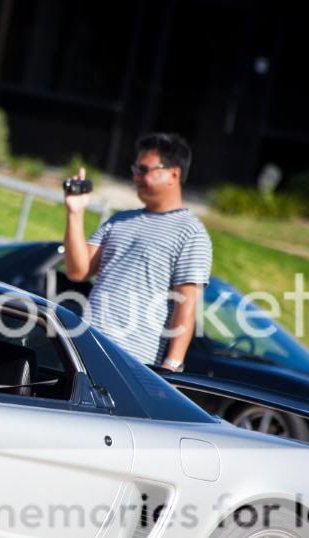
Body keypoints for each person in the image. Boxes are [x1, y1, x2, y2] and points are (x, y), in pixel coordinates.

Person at [63, 133, 212, 370]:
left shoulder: (191, 232)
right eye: (135, 169)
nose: (136, 177)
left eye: (144, 170)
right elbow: (77, 271)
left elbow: (187, 304)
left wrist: (171, 367)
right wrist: (75, 212)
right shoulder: (119, 220)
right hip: (85, 349)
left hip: (132, 364)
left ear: (174, 174)